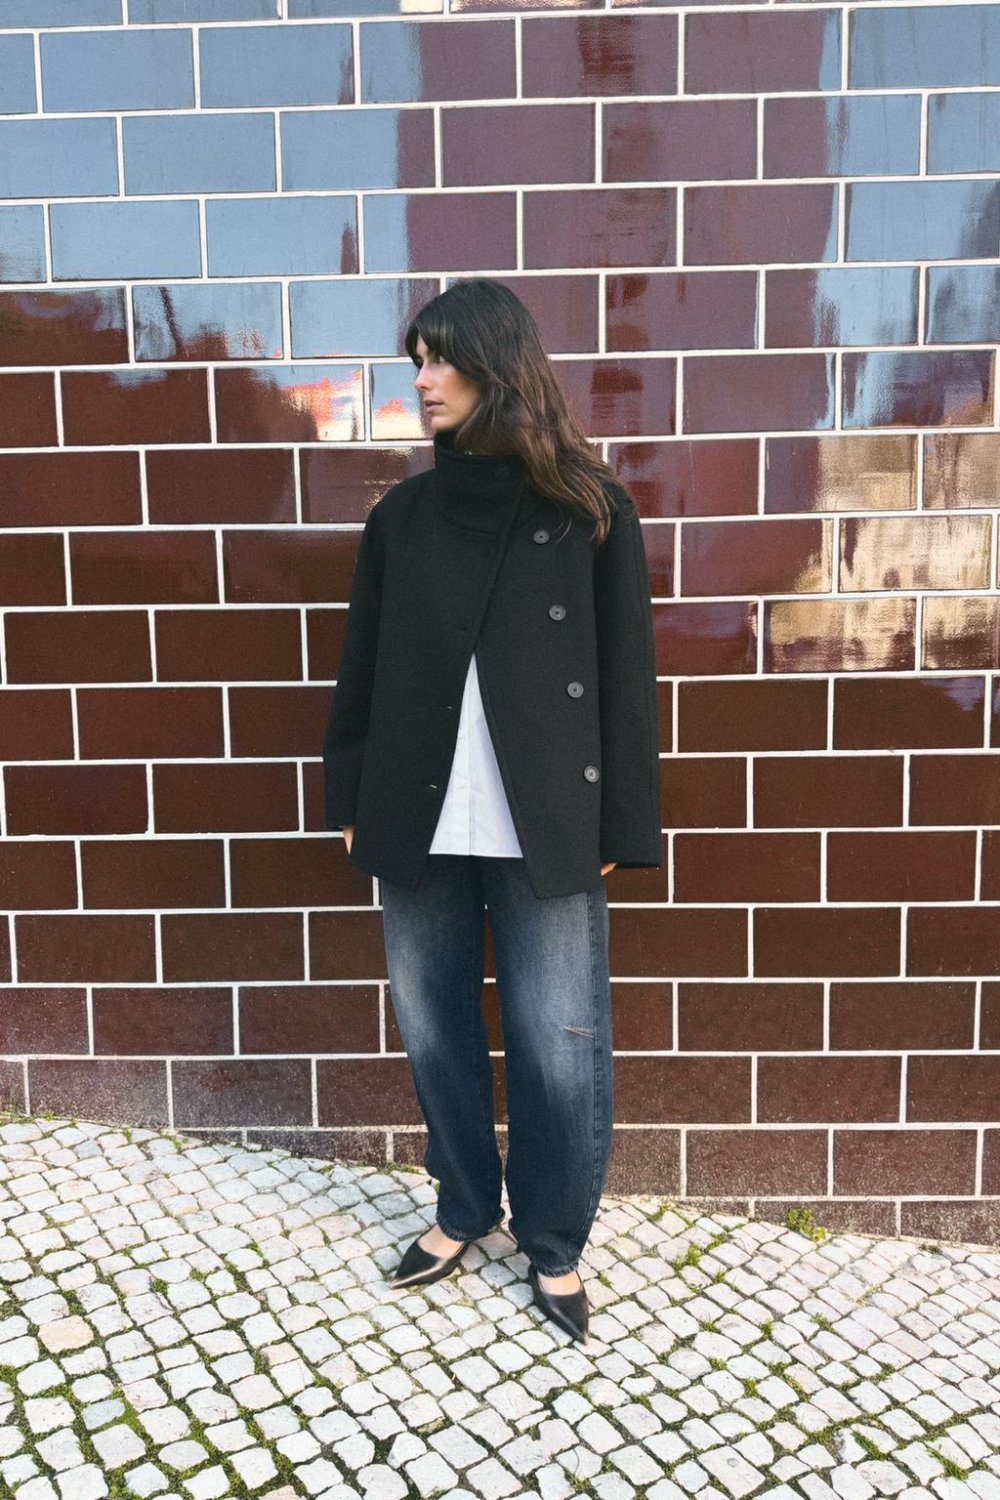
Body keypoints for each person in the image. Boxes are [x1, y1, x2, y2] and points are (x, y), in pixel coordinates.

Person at [323, 279, 661, 1345]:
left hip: (546, 819)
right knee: (434, 1029)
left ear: (497, 366)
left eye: (440, 359)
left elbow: (626, 681)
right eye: (416, 360)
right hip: (416, 817)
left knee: (558, 1039)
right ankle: (464, 1206)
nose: (422, 380)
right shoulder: (402, 518)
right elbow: (362, 670)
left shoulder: (589, 510)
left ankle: (554, 1240)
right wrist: (350, 797)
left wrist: (622, 827)